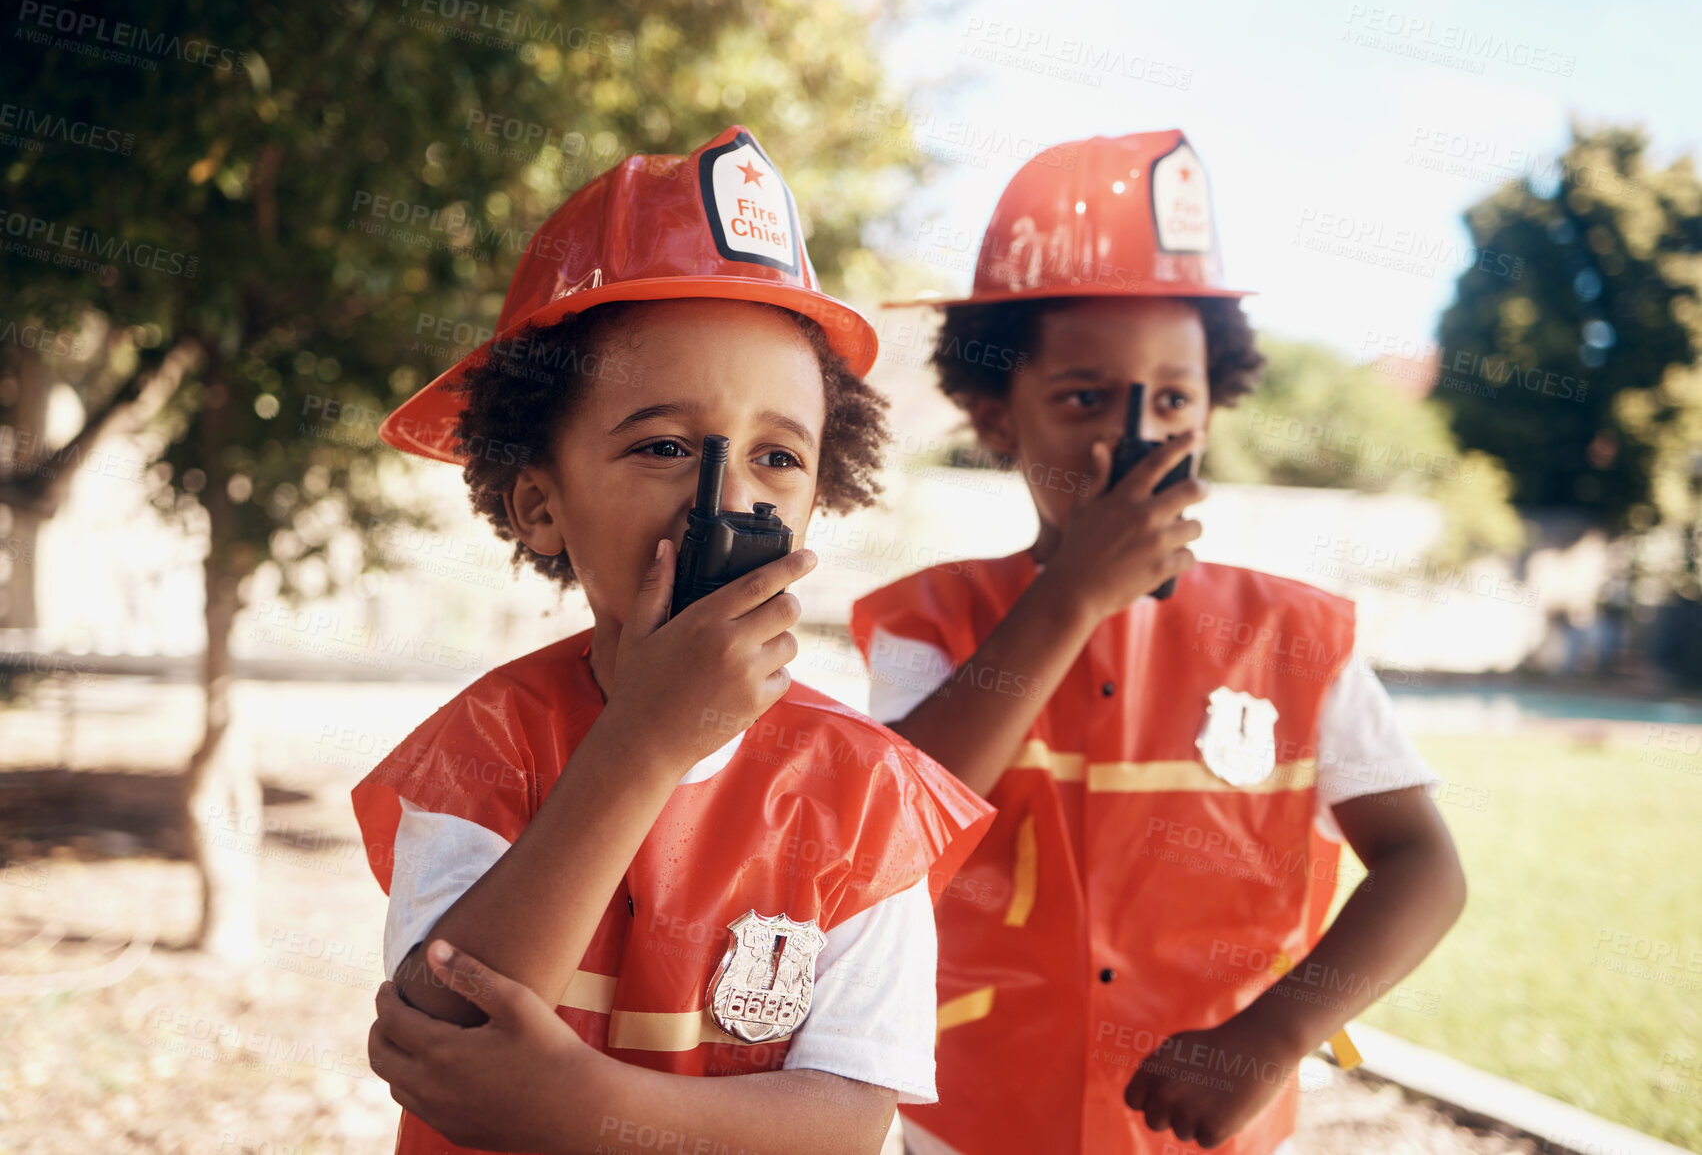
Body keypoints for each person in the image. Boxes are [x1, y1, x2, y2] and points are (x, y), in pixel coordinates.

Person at [351, 124, 994, 1155]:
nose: (724, 498)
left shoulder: (867, 793)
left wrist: (578, 1112)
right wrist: (644, 741)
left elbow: (846, 1115)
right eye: (661, 446)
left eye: (778, 457)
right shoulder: (482, 752)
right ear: (538, 505)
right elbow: (440, 1038)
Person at [848, 130, 1467, 1155]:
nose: (1131, 437)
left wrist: (1274, 1035)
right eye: (1083, 398)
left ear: (1212, 409)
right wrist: (1070, 597)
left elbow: (1424, 865)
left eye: (1172, 400)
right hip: (972, 1122)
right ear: (996, 417)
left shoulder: (1297, 639)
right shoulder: (930, 620)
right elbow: (894, 836)